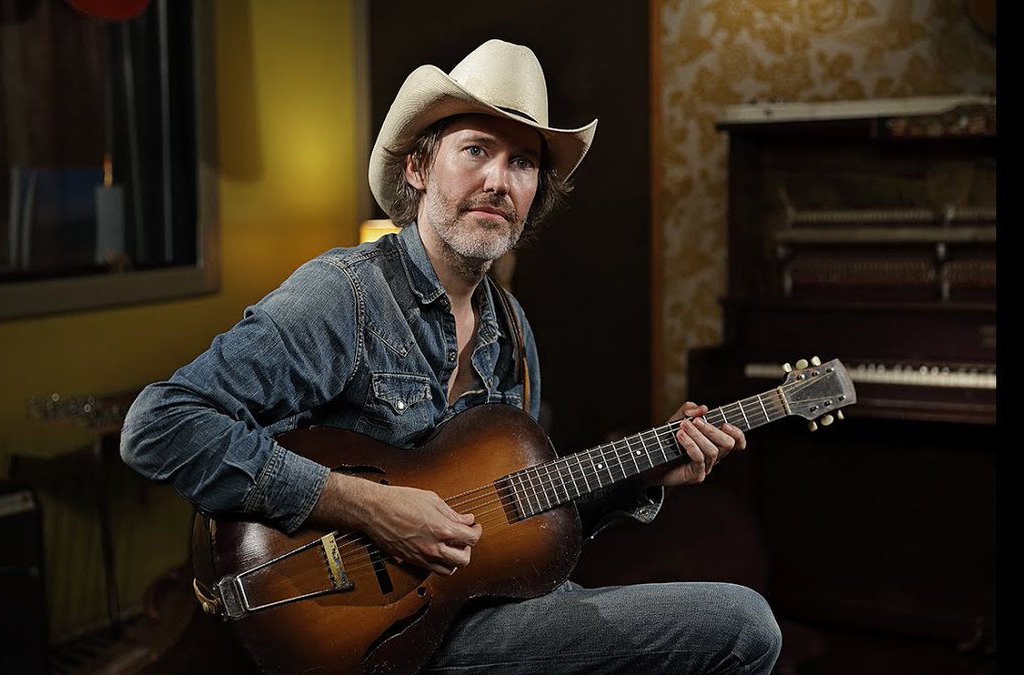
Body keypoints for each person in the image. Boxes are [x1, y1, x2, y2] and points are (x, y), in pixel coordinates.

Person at [120, 38, 782, 674]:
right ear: (418, 167)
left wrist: (643, 474)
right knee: (741, 622)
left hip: (479, 610)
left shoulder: (513, 329)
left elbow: (518, 526)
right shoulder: (343, 295)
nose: (498, 180)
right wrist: (369, 506)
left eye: (523, 163)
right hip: (375, 636)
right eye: (476, 150)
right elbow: (158, 426)